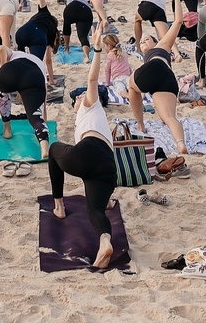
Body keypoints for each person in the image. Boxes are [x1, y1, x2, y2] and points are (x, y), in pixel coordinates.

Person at [48, 19, 120, 268]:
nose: (77, 100)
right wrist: (108, 198)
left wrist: (97, 49)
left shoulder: (91, 104)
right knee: (95, 210)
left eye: (77, 98)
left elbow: (91, 81)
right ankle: (105, 242)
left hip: (89, 152)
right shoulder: (96, 119)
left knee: (53, 150)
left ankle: (58, 206)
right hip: (108, 168)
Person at [127, 0, 189, 155]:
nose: (143, 41)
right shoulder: (148, 56)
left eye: (147, 39)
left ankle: (140, 124)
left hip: (157, 68)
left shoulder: (163, 46)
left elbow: (177, 22)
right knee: (169, 117)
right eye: (141, 41)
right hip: (167, 78)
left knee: (131, 85)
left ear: (156, 41)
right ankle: (181, 144)